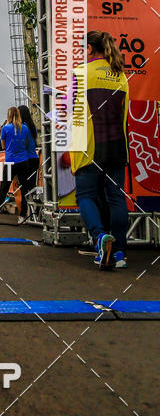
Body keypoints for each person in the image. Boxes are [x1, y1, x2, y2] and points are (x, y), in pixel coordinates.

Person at [69, 31, 130, 270]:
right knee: (116, 197)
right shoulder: (121, 76)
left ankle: (99, 239)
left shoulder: (81, 73)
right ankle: (119, 253)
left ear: (91, 50)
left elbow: (72, 112)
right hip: (117, 145)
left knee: (85, 196)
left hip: (90, 146)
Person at [0, 107, 30, 223]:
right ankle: (22, 216)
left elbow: (4, 146)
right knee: (24, 189)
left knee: (4, 189)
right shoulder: (25, 128)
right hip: (23, 161)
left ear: (8, 115)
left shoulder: (5, 128)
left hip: (10, 160)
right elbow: (27, 144)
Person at [18, 105, 40, 202]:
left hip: (24, 159)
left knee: (23, 187)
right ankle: (35, 209)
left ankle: (26, 211)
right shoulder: (32, 127)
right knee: (32, 186)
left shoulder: (22, 128)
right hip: (34, 157)